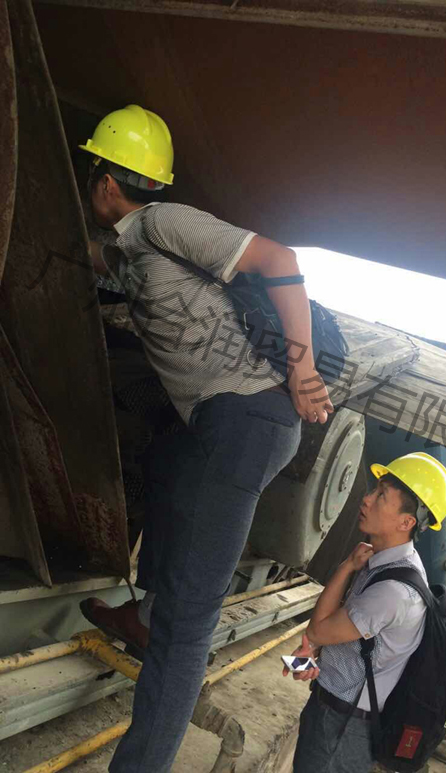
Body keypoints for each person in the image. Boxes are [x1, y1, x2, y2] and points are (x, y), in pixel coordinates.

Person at [78, 104, 333, 773]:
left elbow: (280, 259)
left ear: (106, 182)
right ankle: (145, 613)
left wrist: (303, 369)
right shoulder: (130, 249)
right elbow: (93, 261)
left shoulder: (163, 222)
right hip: (218, 424)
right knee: (166, 459)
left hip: (248, 421)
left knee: (186, 633)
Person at [284, 452, 446, 773]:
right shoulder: (387, 562)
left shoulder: (393, 591)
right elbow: (343, 637)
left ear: (406, 522)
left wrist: (346, 567)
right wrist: (314, 651)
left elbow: (318, 629)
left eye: (381, 496)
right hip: (334, 710)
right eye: (374, 490)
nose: (366, 499)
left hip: (342, 727)